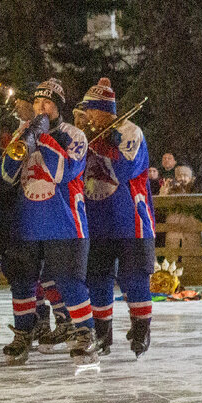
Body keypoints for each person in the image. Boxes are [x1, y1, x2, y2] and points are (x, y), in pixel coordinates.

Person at [0, 78, 100, 369]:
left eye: (48, 103)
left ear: (58, 107)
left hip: (64, 222)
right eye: (37, 103)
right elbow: (6, 176)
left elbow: (64, 172)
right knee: (22, 281)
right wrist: (22, 141)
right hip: (28, 222)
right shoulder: (23, 133)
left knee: (69, 280)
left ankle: (84, 332)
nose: (41, 108)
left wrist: (42, 138)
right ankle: (23, 333)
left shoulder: (74, 135)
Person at [77, 78, 154, 358]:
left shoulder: (130, 131)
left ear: (103, 110)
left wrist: (108, 143)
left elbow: (124, 171)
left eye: (90, 110)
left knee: (134, 278)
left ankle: (141, 330)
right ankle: (102, 334)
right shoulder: (84, 135)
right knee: (97, 278)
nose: (86, 116)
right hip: (96, 219)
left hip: (130, 219)